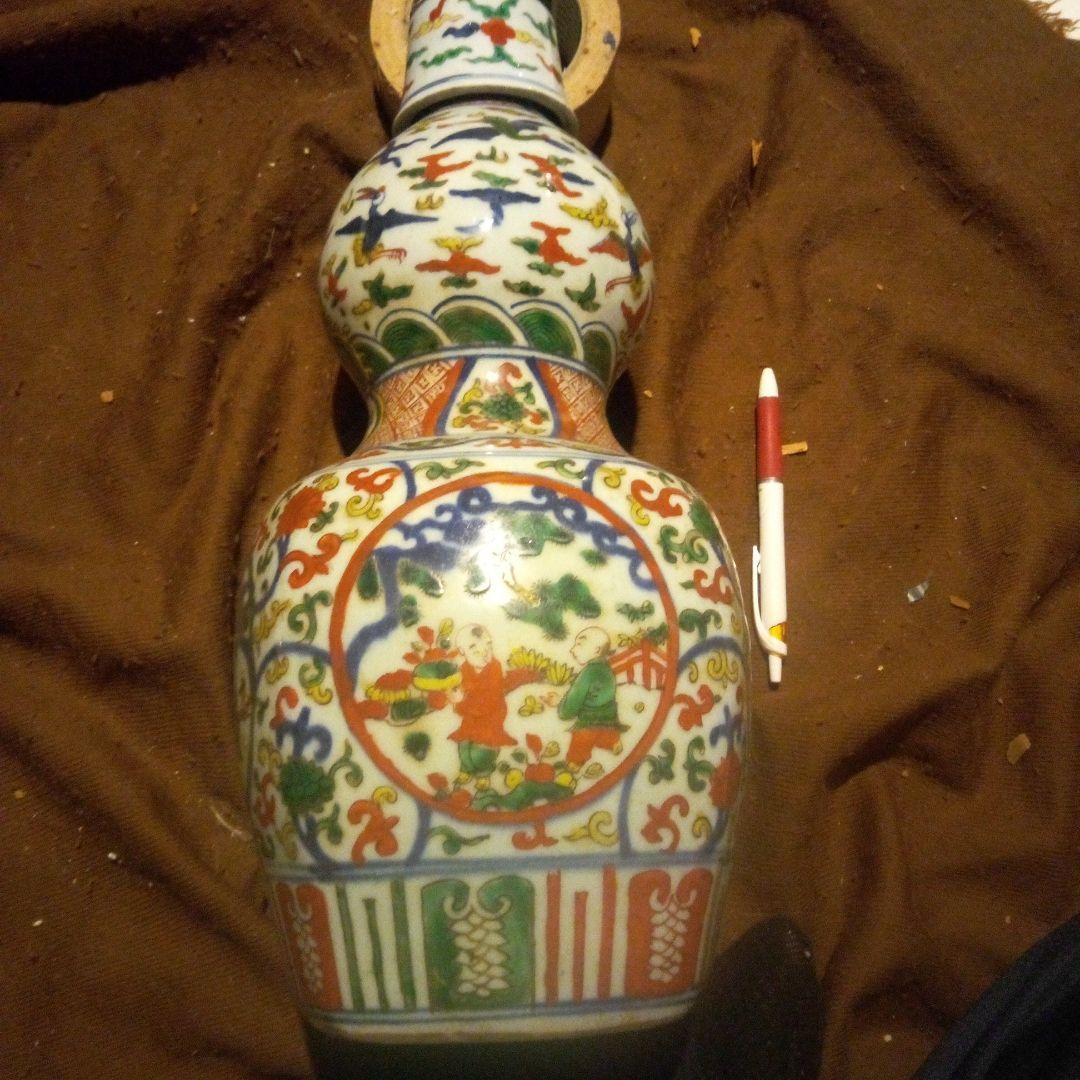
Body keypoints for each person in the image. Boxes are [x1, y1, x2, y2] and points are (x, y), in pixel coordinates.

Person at [448, 624, 537, 791]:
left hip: (489, 719)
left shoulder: (494, 669)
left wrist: (461, 704)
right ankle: (466, 769)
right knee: (464, 745)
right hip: (469, 720)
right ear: (462, 651)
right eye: (474, 648)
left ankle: (484, 774)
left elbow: (488, 701)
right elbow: (459, 690)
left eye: (488, 646)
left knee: (483, 750)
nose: (483, 653)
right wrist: (456, 698)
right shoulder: (463, 669)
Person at [556, 627, 628, 788]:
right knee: (606, 731)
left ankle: (575, 762)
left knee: (581, 740)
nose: (572, 649)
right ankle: (613, 742)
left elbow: (574, 699)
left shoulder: (588, 673)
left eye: (579, 645)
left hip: (589, 719)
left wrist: (562, 710)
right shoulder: (606, 669)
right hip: (609, 715)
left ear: (596, 650)